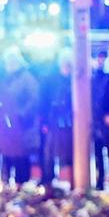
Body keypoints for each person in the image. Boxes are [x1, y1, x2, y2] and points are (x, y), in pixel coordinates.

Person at [0, 50, 41, 185]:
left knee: (21, 157)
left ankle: (22, 184)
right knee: (7, 155)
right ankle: (7, 184)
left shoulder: (27, 79)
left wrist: (22, 114)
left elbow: (34, 99)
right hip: (7, 126)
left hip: (22, 126)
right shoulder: (6, 79)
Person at [41, 51, 74, 186]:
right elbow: (45, 99)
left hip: (69, 121)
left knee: (68, 153)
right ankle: (48, 180)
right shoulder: (52, 79)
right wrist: (45, 120)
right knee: (50, 151)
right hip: (53, 120)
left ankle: (71, 181)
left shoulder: (73, 80)